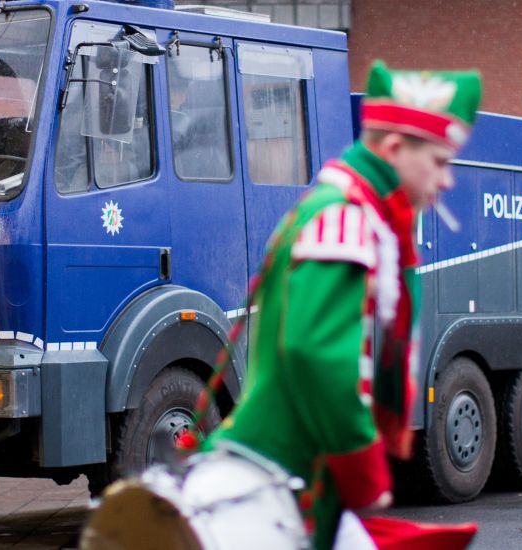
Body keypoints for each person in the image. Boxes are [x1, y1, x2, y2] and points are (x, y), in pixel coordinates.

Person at [200, 60, 482, 550]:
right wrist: (364, 472)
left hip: (287, 481)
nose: (447, 180)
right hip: (278, 482)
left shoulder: (341, 210)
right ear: (394, 149)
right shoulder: (346, 220)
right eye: (439, 161)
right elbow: (316, 352)